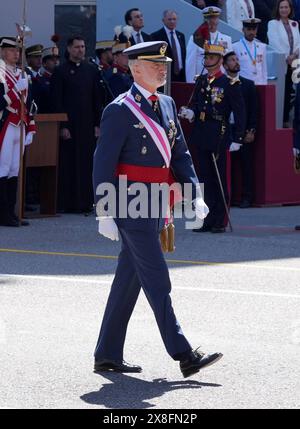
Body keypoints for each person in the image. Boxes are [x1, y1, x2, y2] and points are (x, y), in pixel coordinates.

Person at [92, 41, 223, 377]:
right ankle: (183, 354)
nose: (162, 69)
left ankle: (106, 353)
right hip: (130, 202)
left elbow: (180, 154)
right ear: (135, 69)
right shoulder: (119, 109)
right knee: (157, 278)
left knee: (129, 279)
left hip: (157, 201)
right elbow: (103, 163)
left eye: (164, 64)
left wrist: (195, 193)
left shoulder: (166, 103)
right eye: (154, 65)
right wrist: (104, 211)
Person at [180, 41, 246, 233]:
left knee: (220, 178)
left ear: (218, 61)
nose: (206, 60)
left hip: (219, 132)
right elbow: (195, 103)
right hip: (201, 132)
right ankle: (207, 218)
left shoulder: (229, 83)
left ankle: (220, 220)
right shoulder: (201, 81)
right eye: (206, 57)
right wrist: (190, 112)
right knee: (204, 177)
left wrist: (238, 138)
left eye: (210, 57)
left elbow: (239, 112)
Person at [50, 36, 105, 213]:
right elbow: (56, 100)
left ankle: (85, 202)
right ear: (69, 49)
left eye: (82, 46)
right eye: (77, 47)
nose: (80, 50)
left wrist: (98, 124)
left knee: (86, 163)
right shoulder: (60, 71)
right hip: (69, 126)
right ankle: (67, 202)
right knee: (69, 163)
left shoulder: (92, 70)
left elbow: (97, 99)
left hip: (87, 125)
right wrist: (62, 126)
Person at [0, 37, 36, 227]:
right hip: (6, 123)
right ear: (3, 51)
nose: (17, 54)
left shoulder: (23, 72)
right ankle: (2, 213)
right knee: (3, 168)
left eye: (18, 50)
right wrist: (15, 89)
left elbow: (29, 104)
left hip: (20, 124)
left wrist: (31, 126)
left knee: (15, 169)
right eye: (13, 50)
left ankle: (12, 212)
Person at [223, 51, 258, 208]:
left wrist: (251, 129)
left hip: (242, 129)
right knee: (226, 165)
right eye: (232, 60)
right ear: (224, 65)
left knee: (245, 164)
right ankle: (227, 197)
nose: (236, 62)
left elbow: (254, 110)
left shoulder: (248, 85)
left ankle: (246, 197)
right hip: (225, 129)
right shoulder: (220, 83)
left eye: (237, 59)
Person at [268, 0, 300, 127]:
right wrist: (287, 57)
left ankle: (291, 120)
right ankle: (282, 120)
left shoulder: (294, 23)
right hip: (282, 63)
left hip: (296, 62)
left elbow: (298, 42)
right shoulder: (273, 23)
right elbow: (274, 42)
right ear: (278, 9)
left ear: (290, 9)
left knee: (294, 93)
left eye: (286, 7)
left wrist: (295, 55)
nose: (284, 10)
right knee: (284, 93)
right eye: (281, 7)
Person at [186, 6, 233, 83]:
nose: (211, 21)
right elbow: (190, 63)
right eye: (209, 18)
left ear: (218, 20)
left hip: (221, 80)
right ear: (204, 20)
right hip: (202, 80)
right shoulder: (196, 38)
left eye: (214, 18)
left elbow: (230, 62)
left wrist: (230, 83)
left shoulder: (226, 39)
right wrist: (191, 83)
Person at [151, 10, 186, 82]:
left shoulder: (181, 36)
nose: (172, 21)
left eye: (174, 19)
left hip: (181, 76)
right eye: (169, 19)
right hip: (165, 76)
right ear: (163, 20)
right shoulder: (156, 36)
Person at [233, 18, 268, 85]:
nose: (251, 32)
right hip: (243, 84)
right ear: (243, 30)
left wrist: (264, 84)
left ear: (256, 30)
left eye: (254, 29)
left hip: (259, 83)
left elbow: (264, 69)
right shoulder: (235, 46)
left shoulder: (262, 47)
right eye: (248, 29)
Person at [37, 42, 60, 113]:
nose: (56, 62)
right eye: (52, 60)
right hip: (46, 118)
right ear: (44, 63)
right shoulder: (39, 81)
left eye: (57, 59)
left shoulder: (62, 79)